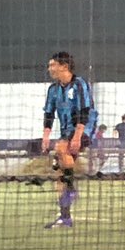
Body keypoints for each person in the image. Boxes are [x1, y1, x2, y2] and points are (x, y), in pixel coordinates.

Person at [40, 53, 97, 229]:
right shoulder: (53, 89)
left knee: (61, 148)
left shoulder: (79, 84)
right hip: (66, 131)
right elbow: (49, 114)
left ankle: (71, 188)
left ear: (64, 66)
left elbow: (84, 111)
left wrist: (78, 137)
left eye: (53, 65)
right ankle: (65, 217)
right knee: (60, 173)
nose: (50, 69)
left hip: (84, 127)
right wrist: (45, 136)